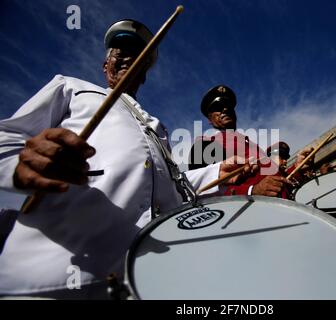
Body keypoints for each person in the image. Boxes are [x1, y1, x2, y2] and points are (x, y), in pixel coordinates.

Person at [0, 19, 255, 299]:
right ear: (104, 65)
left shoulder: (157, 127)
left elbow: (173, 186)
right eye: (117, 50)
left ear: (144, 71)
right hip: (53, 280)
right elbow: (6, 136)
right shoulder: (72, 89)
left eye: (136, 51)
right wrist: (21, 162)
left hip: (145, 281)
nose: (125, 55)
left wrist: (218, 169)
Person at [188, 85, 297, 197]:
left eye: (228, 106)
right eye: (218, 107)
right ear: (210, 119)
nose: (225, 109)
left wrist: (298, 170)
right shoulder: (204, 145)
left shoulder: (253, 145)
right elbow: (200, 191)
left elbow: (279, 180)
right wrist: (251, 191)